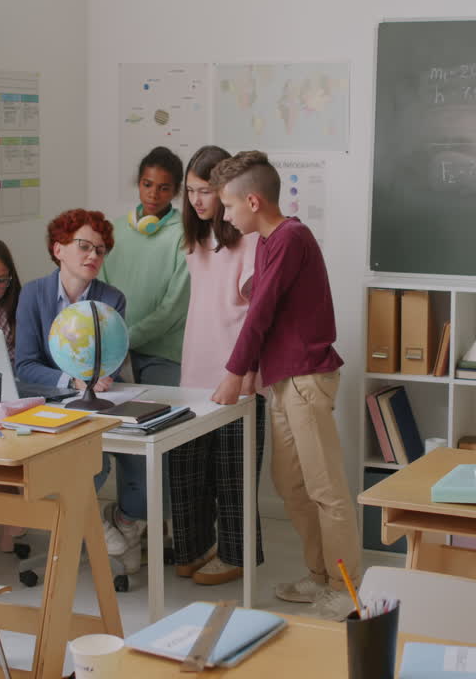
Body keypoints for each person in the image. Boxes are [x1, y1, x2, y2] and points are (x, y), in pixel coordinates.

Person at [209, 150, 358, 621]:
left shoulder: (292, 237)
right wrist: (253, 369)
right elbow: (267, 303)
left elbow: (263, 311)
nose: (226, 216)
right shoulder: (268, 242)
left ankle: (345, 588)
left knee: (325, 489)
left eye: (229, 207)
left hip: (306, 379)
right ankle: (319, 577)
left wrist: (235, 372)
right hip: (283, 380)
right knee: (290, 485)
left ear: (252, 201)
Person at [14, 209, 147, 572]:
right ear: (58, 249)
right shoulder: (33, 295)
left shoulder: (112, 299)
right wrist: (72, 380)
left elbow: (112, 362)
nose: (93, 256)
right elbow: (24, 366)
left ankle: (120, 523)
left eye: (100, 251)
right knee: (83, 461)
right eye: (84, 246)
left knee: (143, 469)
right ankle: (90, 526)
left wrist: (97, 378)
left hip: (102, 402)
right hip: (52, 405)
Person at [167, 145, 267, 586]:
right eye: (190, 192)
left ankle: (236, 555)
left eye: (205, 191)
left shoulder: (251, 240)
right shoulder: (194, 239)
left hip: (237, 376)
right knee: (185, 471)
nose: (197, 200)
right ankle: (192, 547)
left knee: (233, 476)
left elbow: (260, 318)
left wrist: (246, 373)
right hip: (193, 375)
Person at [100, 146, 190, 387]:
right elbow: (99, 290)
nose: (153, 194)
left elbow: (173, 308)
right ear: (138, 183)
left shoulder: (185, 235)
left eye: (164, 188)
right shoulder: (113, 231)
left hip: (163, 354)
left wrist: (127, 339)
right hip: (114, 351)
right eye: (147, 184)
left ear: (176, 191)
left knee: (161, 415)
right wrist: (114, 343)